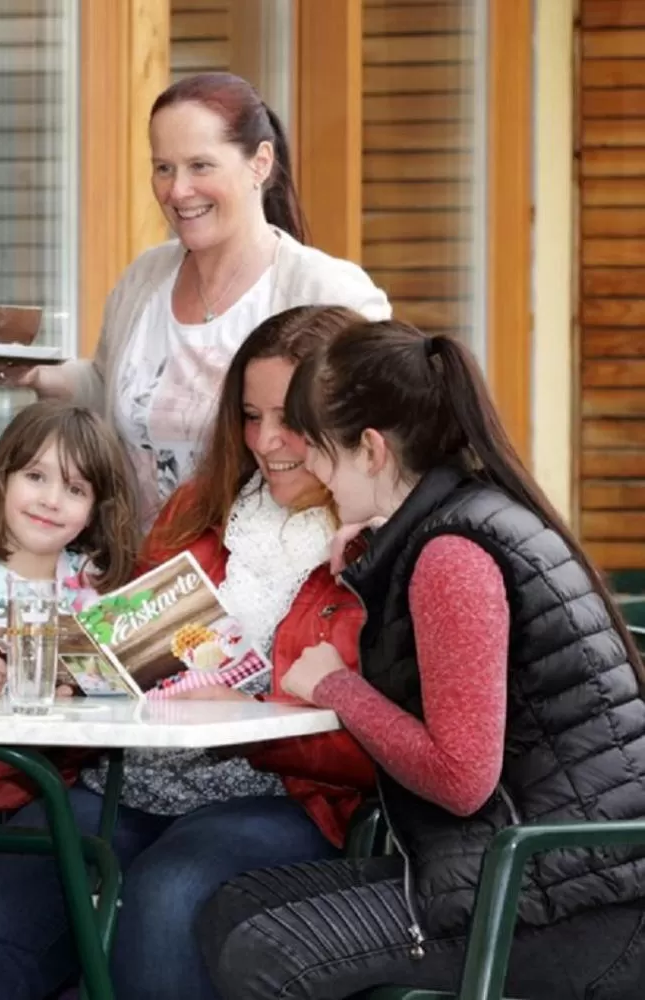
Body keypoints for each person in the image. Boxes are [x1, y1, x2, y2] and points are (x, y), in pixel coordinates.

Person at [0, 306, 375, 1000]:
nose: (266, 441)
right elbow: (123, 635)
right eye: (249, 416)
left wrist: (251, 714)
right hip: (127, 778)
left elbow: (386, 740)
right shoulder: (199, 504)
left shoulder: (375, 538)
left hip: (285, 796)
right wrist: (81, 670)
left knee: (166, 895)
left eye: (289, 418)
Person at [198, 321, 645, 999]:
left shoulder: (450, 557)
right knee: (231, 909)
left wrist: (336, 687)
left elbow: (461, 777)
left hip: (575, 904)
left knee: (265, 952)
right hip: (537, 868)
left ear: (370, 449)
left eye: (319, 450)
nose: (312, 470)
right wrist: (372, 558)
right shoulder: (463, 518)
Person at [0, 72, 391, 531]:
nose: (177, 191)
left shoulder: (326, 290)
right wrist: (37, 373)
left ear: (260, 163)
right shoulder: (145, 278)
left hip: (273, 580)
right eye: (163, 168)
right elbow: (108, 392)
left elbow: (379, 439)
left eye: (200, 166)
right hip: (143, 576)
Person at [0, 402, 139, 695]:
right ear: (2, 480)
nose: (51, 500)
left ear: (93, 512)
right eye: (36, 476)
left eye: (75, 490)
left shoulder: (96, 583)